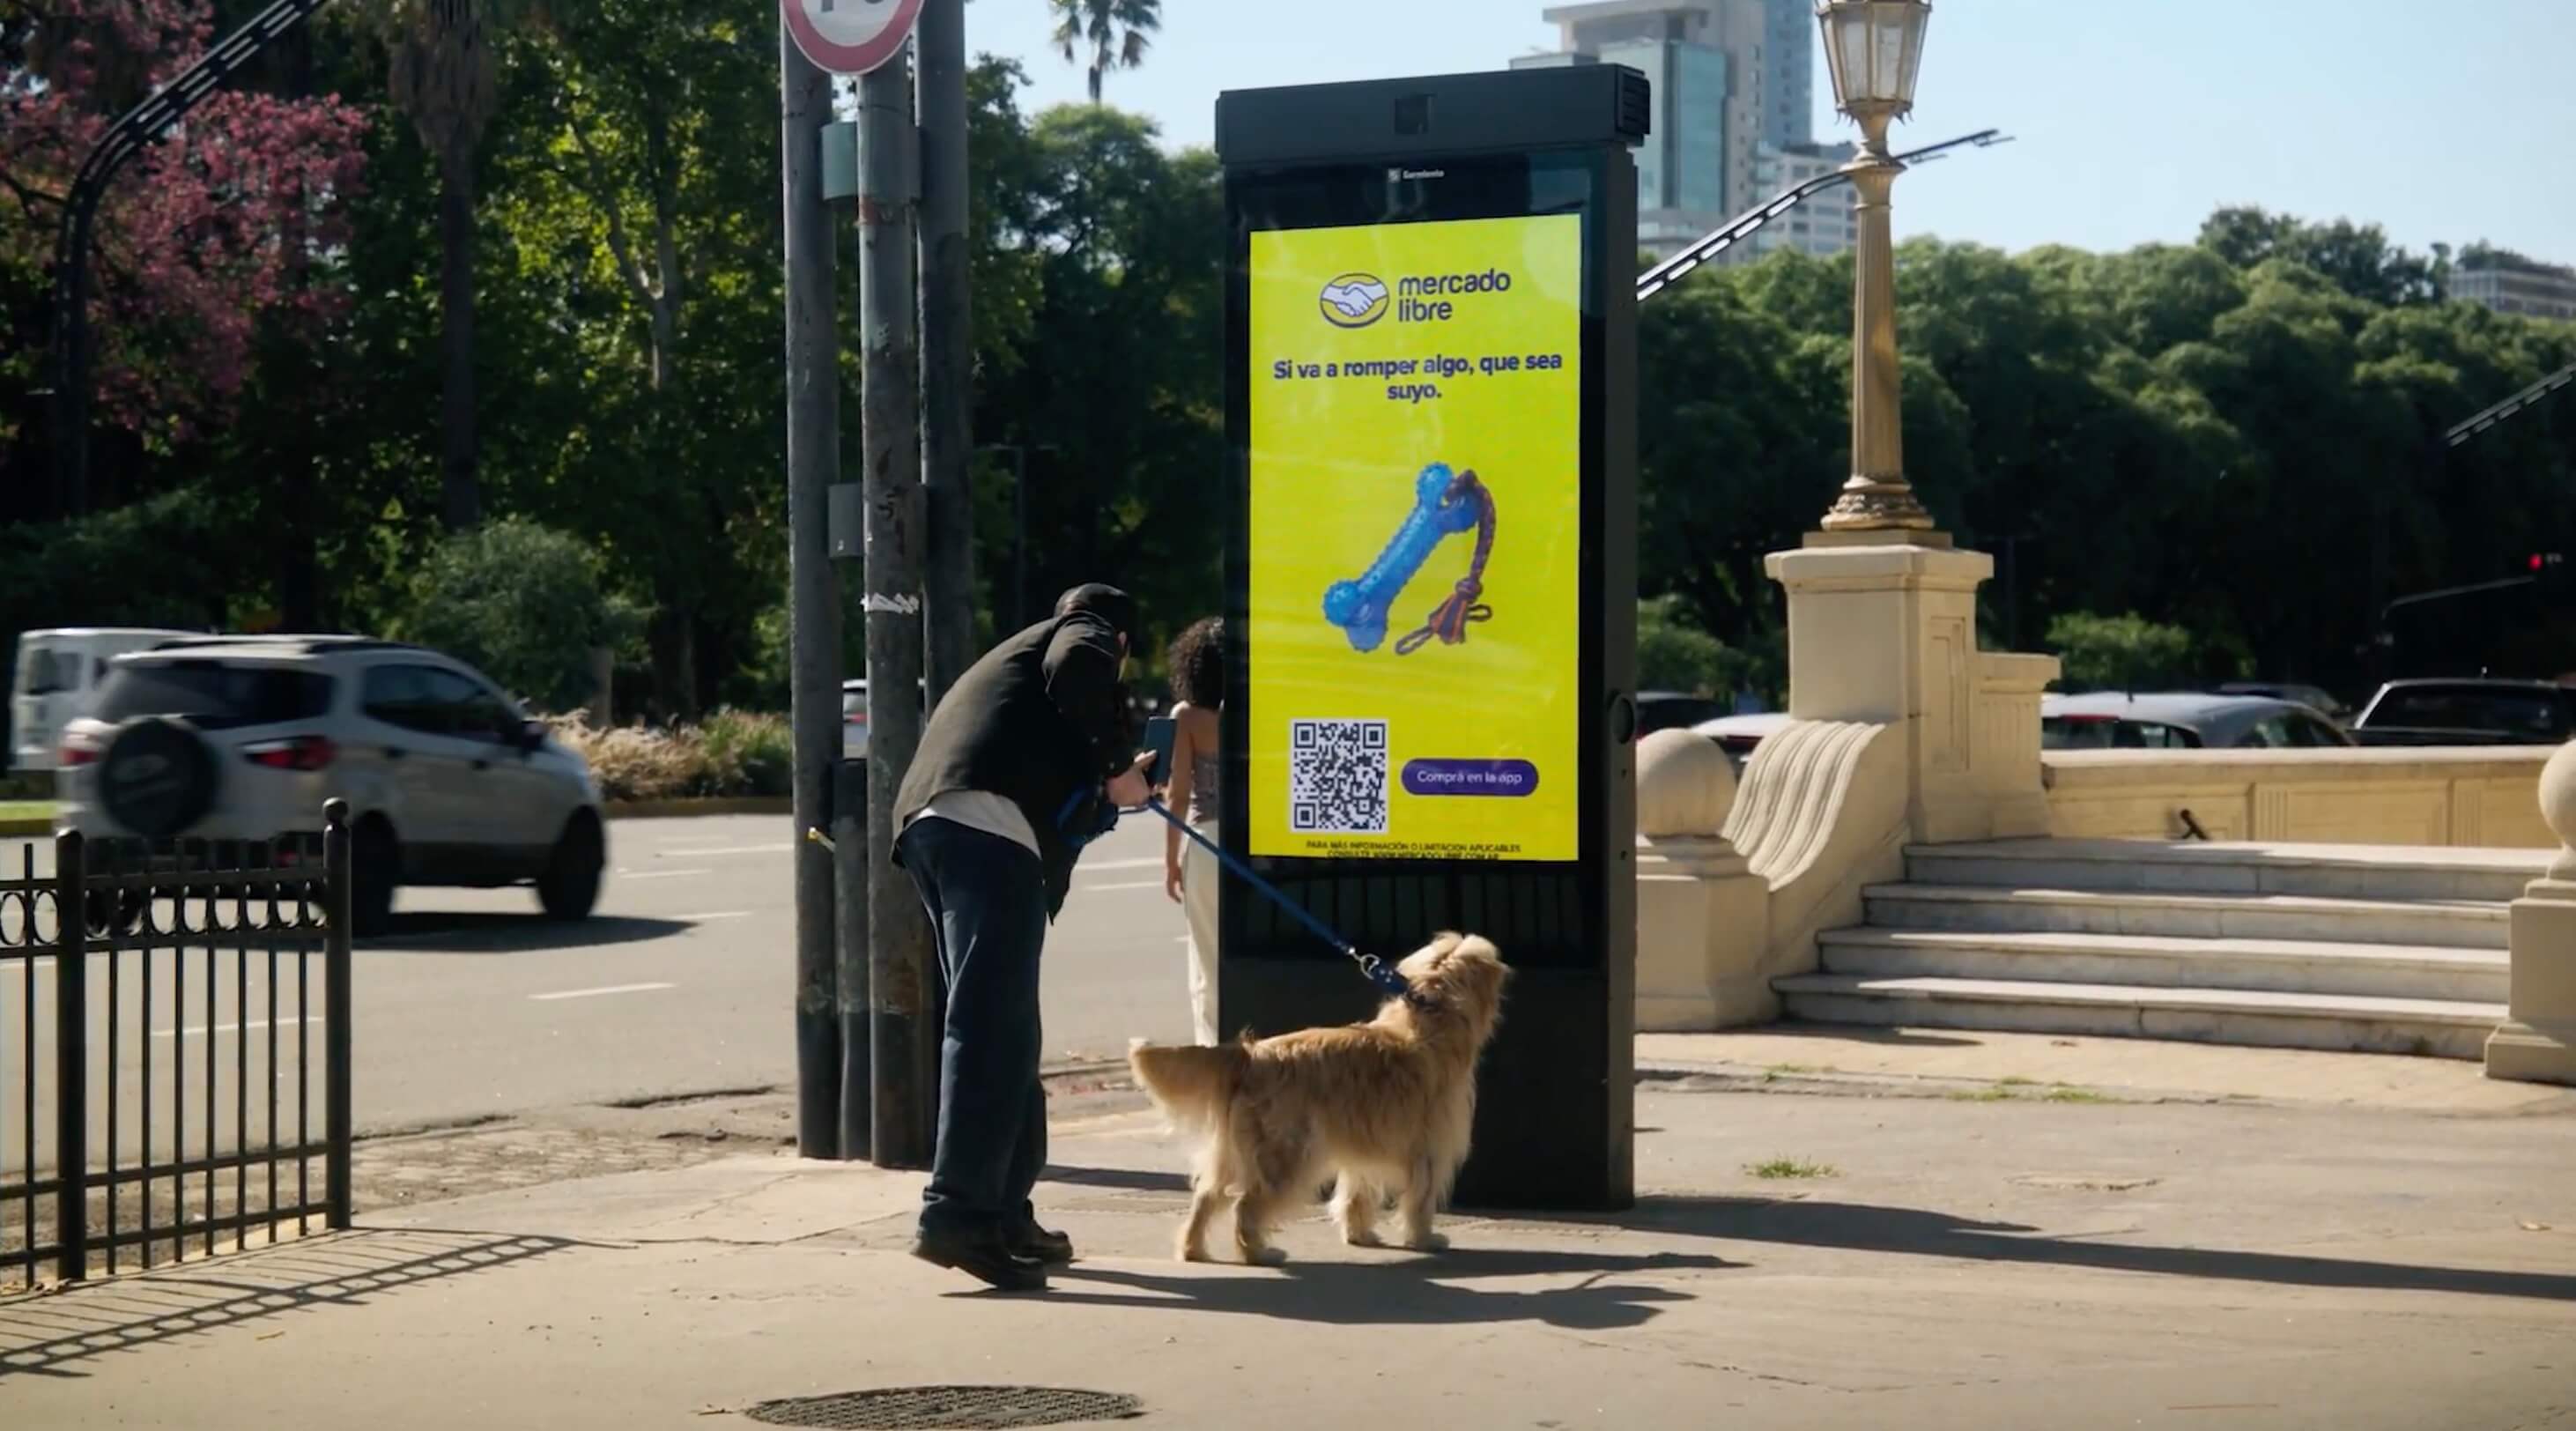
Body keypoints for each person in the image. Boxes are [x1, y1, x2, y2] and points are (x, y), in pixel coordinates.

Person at [892, 582, 1158, 1292]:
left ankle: (1007, 1211)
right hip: (987, 828)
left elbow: (1059, 768)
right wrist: (1115, 767)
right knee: (989, 1028)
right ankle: (959, 1215)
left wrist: (1106, 789)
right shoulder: (1086, 632)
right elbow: (1078, 672)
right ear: (1123, 644)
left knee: (1003, 1026)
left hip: (937, 825)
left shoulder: (1016, 665)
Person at [1159, 616, 1225, 1045]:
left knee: (1208, 961)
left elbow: (1179, 795)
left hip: (1208, 842)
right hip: (1258, 844)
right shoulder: (1261, 708)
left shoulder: (1187, 717)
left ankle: (1215, 1057)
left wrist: (1170, 861)